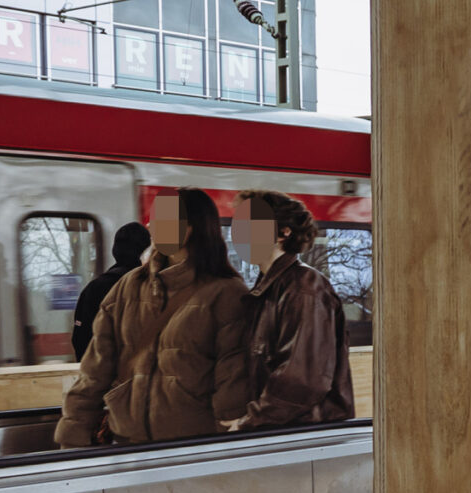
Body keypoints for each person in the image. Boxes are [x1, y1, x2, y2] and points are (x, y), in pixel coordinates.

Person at [57, 188, 250, 446]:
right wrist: (73, 432)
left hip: (192, 447)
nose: (150, 226)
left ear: (189, 228)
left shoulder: (227, 294)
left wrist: (219, 446)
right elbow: (95, 370)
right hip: (128, 442)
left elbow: (232, 383)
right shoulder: (128, 287)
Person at [225, 191, 356, 430]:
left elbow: (303, 380)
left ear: (283, 233)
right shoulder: (266, 288)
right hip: (284, 430)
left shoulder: (304, 288)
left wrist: (250, 420)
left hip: (305, 435)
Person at [70, 220, 152, 360]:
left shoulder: (94, 289)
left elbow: (80, 339)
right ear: (144, 252)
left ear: (115, 250)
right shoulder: (152, 286)